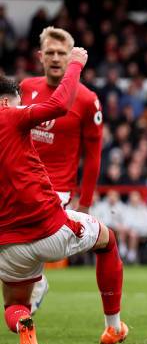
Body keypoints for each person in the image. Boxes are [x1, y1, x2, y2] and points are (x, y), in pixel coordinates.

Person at [0, 48, 127, 344]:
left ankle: (25, 325)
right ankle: (113, 327)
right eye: (18, 100)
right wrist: (75, 66)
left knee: (15, 307)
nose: (22, 105)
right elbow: (58, 105)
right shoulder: (10, 116)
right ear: (5, 102)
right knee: (107, 240)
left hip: (9, 244)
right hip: (50, 227)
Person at [20, 27, 103, 312]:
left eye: (61, 53)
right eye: (50, 53)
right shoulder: (25, 88)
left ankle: (33, 284)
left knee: (27, 242)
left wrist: (87, 201)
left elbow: (93, 156)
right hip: (19, 183)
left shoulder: (87, 99)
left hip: (58, 189)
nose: (56, 58)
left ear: (71, 58)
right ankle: (35, 280)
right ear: (40, 56)